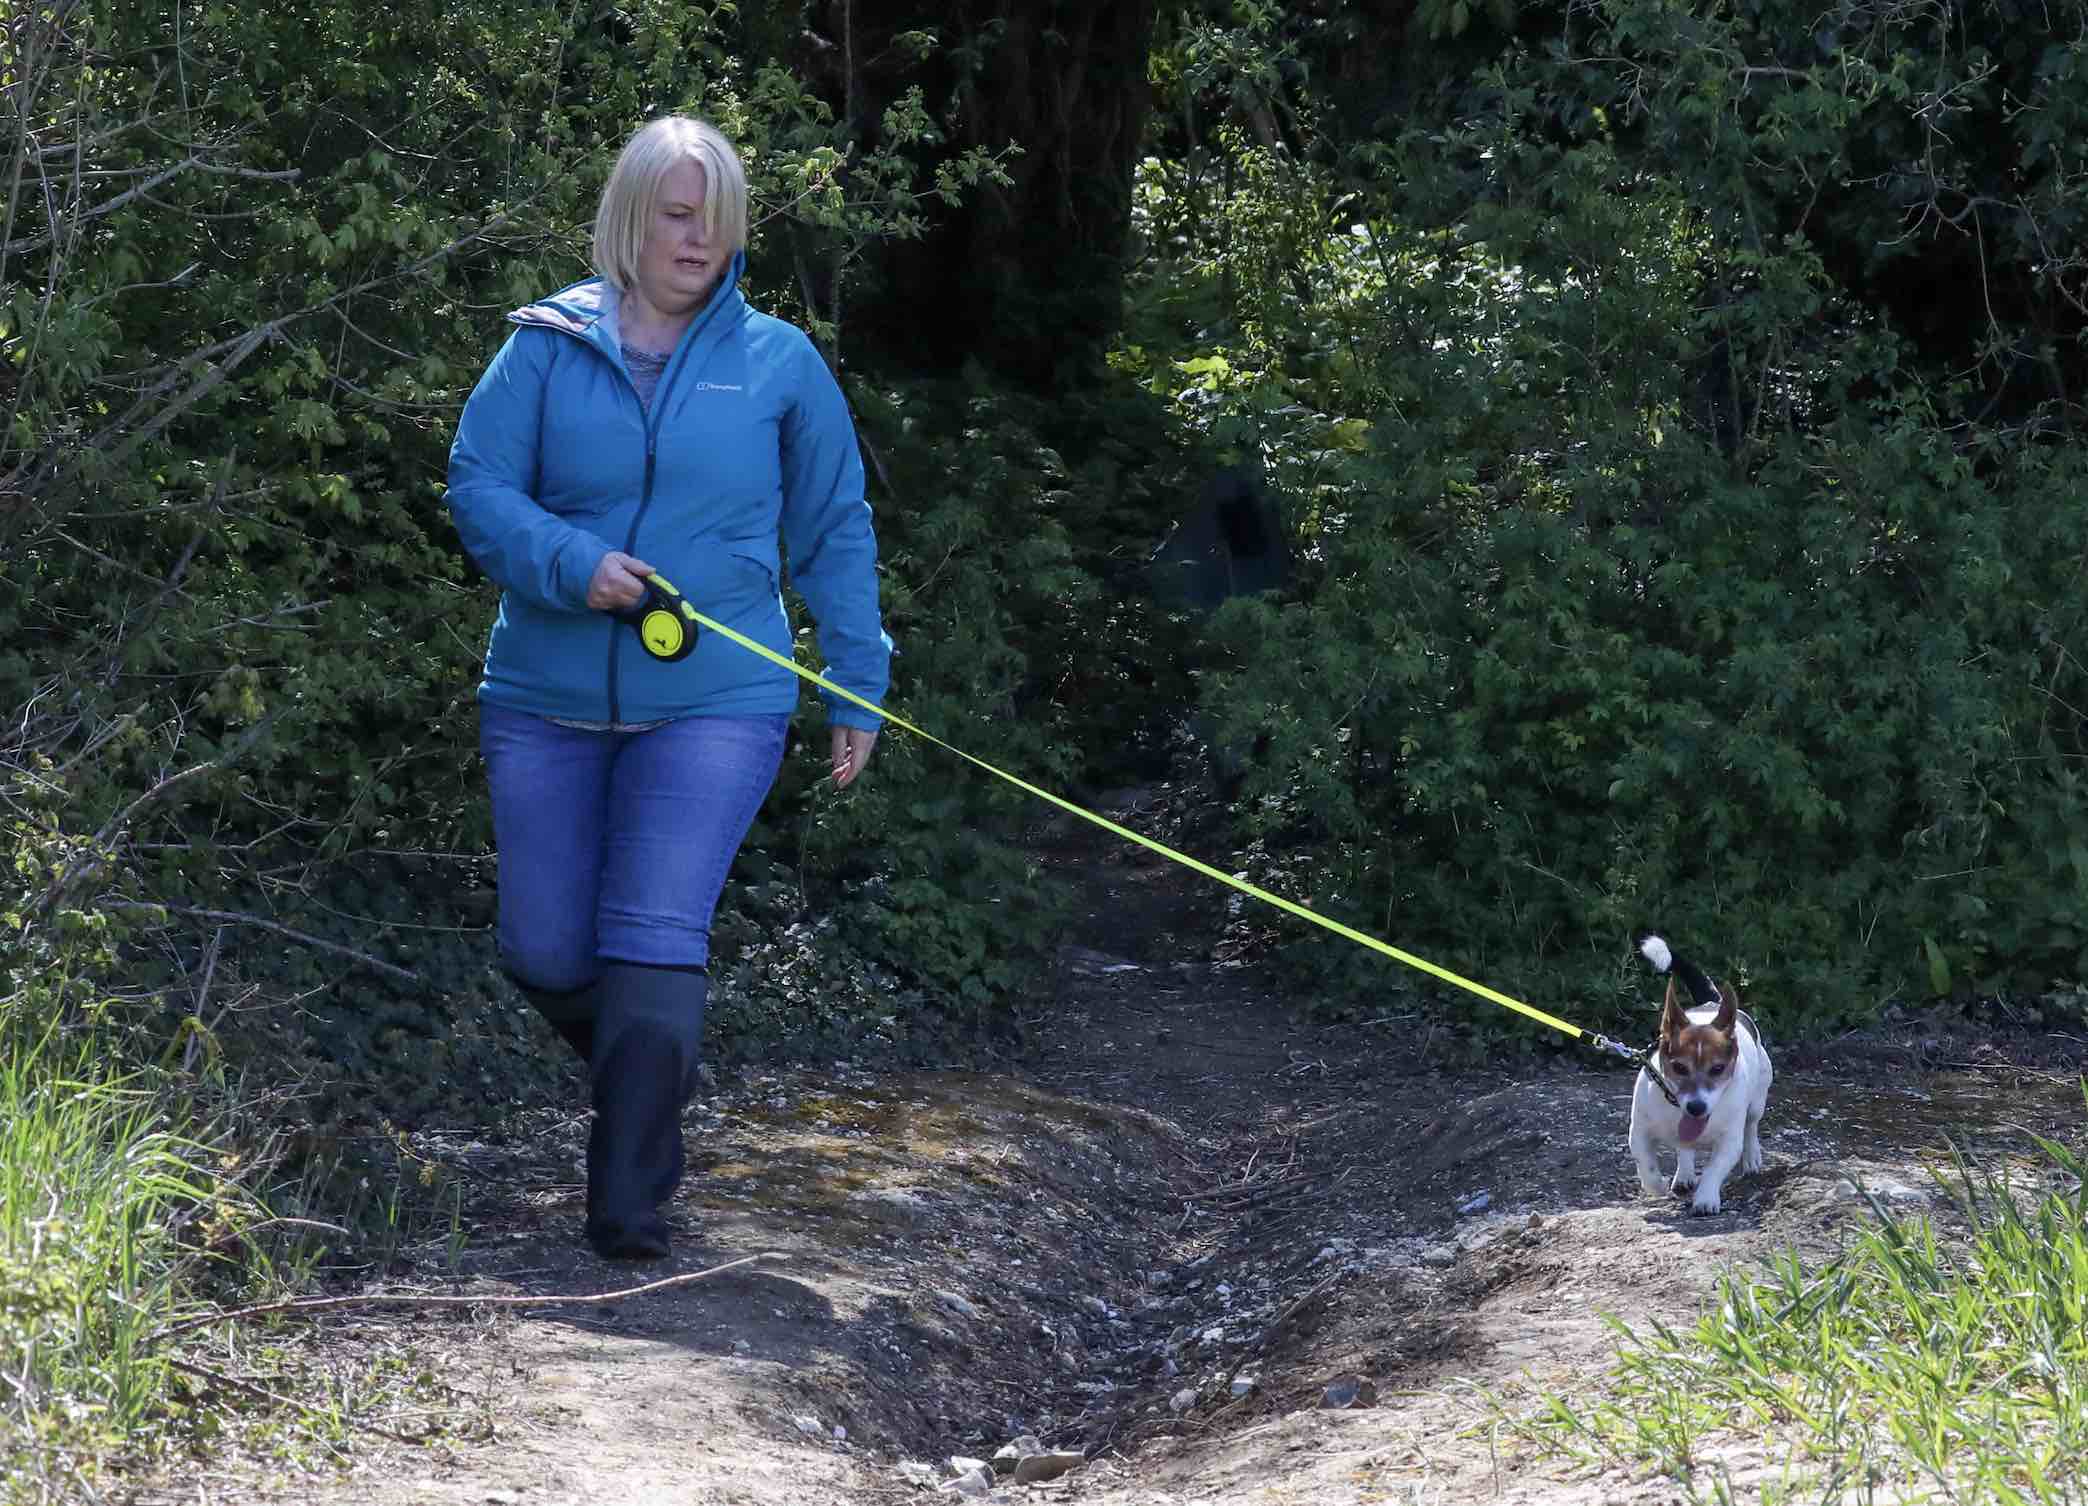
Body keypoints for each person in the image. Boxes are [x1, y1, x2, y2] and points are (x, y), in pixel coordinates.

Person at [446, 116, 891, 1260]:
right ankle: (650, 1068)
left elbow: (835, 527)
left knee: (652, 933)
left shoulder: (779, 362)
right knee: (546, 951)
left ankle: (628, 1208)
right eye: (678, 214)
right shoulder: (542, 347)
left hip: (716, 702)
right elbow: (479, 487)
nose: (700, 239)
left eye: (718, 218)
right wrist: (571, 565)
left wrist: (857, 680)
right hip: (542, 694)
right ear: (630, 219)